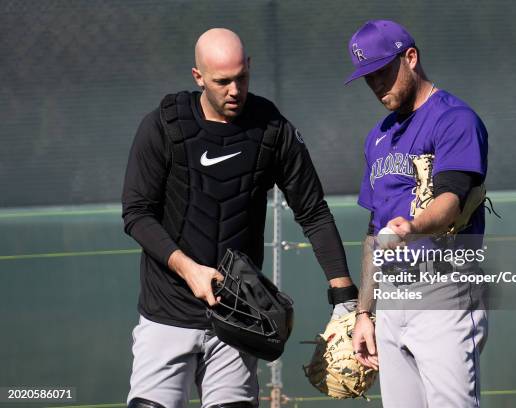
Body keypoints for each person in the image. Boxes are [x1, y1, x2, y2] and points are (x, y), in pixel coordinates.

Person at [121, 28, 358, 408]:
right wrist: (189, 269)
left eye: (242, 77)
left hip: (238, 318)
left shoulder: (271, 129)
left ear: (249, 67)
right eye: (222, 81)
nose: (234, 90)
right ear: (198, 77)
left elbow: (312, 211)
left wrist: (346, 299)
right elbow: (136, 213)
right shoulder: (164, 125)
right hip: (167, 313)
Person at [345, 20, 489, 408]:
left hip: (443, 289)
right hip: (391, 295)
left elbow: (451, 201)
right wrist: (364, 312)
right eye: (367, 77)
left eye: (381, 72)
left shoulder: (453, 119)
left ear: (410, 58)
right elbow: (375, 229)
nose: (376, 85)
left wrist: (414, 225)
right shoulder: (377, 136)